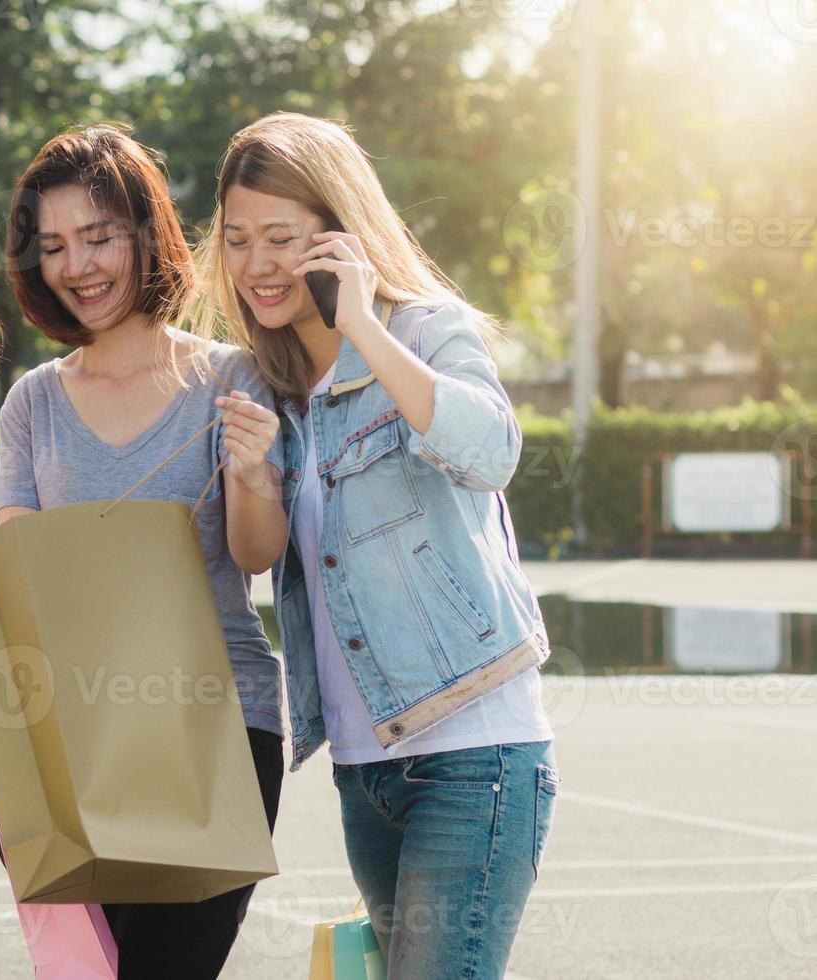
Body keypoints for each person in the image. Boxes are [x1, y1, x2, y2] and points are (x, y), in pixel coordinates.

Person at [0, 123, 287, 978]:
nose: (77, 265)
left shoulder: (231, 378)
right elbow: (27, 578)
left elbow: (257, 557)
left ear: (144, 234)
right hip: (67, 735)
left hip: (217, 724)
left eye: (98, 236)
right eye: (53, 246)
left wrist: (257, 471)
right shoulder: (32, 404)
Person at [193, 111, 559, 978]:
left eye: (281, 238)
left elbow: (489, 450)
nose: (256, 265)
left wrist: (363, 325)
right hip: (364, 767)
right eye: (238, 240)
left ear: (339, 235)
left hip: (473, 752)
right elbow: (256, 555)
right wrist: (252, 474)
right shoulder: (269, 378)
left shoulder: (423, 330)